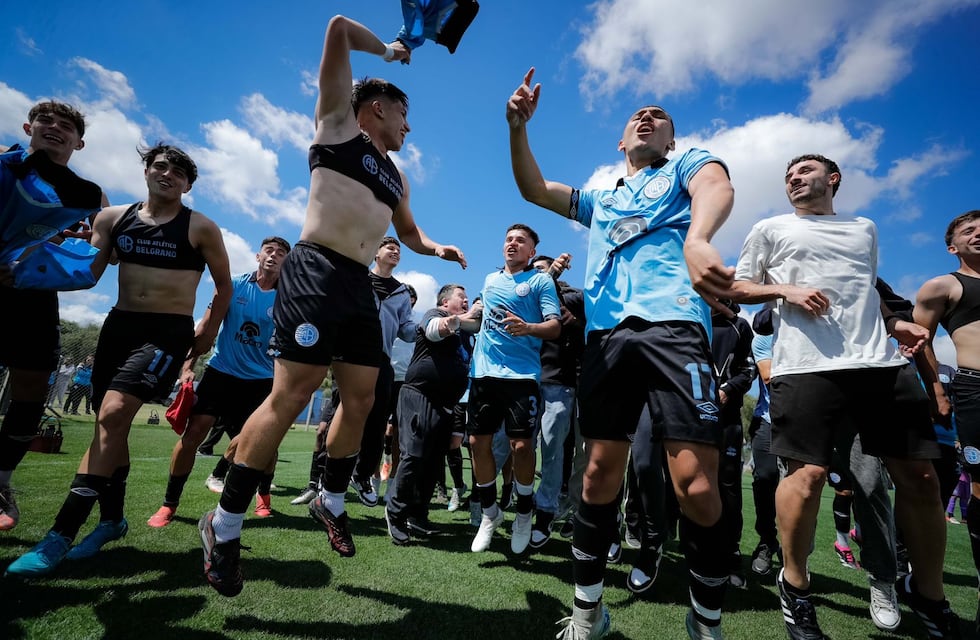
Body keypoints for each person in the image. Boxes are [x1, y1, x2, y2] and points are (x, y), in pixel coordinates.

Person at [198, 14, 465, 598]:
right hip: (316, 269)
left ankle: (332, 498)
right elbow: (339, 28)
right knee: (292, 394)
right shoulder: (338, 124)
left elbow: (409, 232)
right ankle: (224, 523)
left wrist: (435, 248)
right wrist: (391, 51)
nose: (409, 127)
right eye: (404, 115)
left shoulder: (397, 176)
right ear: (377, 108)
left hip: (356, 285)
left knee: (363, 399)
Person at [508, 67, 736, 640]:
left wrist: (698, 237)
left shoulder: (684, 167)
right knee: (596, 476)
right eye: (639, 115)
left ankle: (705, 619)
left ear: (672, 140)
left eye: (660, 117)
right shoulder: (601, 199)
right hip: (607, 339)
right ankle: (589, 613)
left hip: (675, 327)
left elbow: (716, 187)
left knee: (696, 486)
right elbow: (534, 190)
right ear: (620, 140)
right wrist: (517, 129)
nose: (648, 117)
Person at [731, 154, 957, 639]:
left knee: (921, 479)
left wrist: (895, 323)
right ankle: (795, 586)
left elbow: (864, 291)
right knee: (807, 478)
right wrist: (787, 291)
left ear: (833, 179)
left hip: (879, 366)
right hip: (805, 366)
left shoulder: (864, 228)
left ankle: (929, 595)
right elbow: (736, 285)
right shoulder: (770, 228)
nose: (793, 179)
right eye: (788, 175)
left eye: (804, 172)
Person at [5, 143, 232, 577]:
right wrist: (25, 266)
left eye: (179, 172)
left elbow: (224, 286)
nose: (168, 175)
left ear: (188, 185)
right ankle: (111, 521)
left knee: (112, 415)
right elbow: (88, 272)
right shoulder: (113, 219)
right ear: (146, 171)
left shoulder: (200, 227)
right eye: (160, 166)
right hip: (119, 327)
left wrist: (207, 331)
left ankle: (60, 535)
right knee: (110, 426)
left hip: (167, 332)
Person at [0, 101, 103, 532]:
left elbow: (101, 248)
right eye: (46, 120)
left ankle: (1, 483)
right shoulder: (6, 167)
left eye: (67, 126)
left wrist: (72, 247)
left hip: (32, 296)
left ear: (79, 143)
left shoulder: (87, 195)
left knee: (31, 390)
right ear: (29, 127)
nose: (55, 127)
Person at [146, 236, 290, 528]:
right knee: (193, 435)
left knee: (265, 445)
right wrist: (188, 366)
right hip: (221, 372)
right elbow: (208, 325)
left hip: (261, 380)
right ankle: (169, 504)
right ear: (258, 255)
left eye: (281, 253)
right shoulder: (233, 285)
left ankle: (263, 496)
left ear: (286, 263)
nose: (274, 256)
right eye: (269, 250)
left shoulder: (288, 297)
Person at [467, 224, 561, 555]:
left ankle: (523, 512)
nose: (512, 244)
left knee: (521, 446)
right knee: (477, 443)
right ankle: (490, 513)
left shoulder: (540, 281)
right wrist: (456, 322)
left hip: (522, 376)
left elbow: (554, 326)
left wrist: (529, 327)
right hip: (484, 373)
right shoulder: (490, 280)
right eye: (508, 239)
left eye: (520, 241)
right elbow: (479, 320)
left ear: (531, 252)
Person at [913, 209, 980, 633]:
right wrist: (936, 389)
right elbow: (918, 340)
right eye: (970, 231)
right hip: (975, 390)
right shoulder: (943, 286)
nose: (979, 234)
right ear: (952, 247)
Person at [384, 283, 480, 543]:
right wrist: (467, 315)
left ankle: (417, 515)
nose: (466, 300)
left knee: (433, 461)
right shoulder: (435, 314)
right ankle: (395, 512)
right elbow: (434, 331)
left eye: (467, 297)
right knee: (414, 455)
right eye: (461, 296)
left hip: (445, 403)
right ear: (445, 302)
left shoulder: (466, 330)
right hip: (420, 395)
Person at [346, 236, 418, 508]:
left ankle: (363, 475)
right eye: (390, 248)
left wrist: (428, 329)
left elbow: (406, 330)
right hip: (350, 357)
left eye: (399, 250)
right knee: (345, 418)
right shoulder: (358, 278)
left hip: (381, 360)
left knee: (377, 424)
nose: (396, 252)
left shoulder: (401, 292)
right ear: (376, 253)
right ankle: (326, 478)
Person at [528, 253, 585, 550]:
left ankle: (547, 511)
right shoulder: (526, 296)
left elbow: (595, 329)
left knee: (556, 451)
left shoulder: (575, 297)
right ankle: (519, 503)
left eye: (543, 269)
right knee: (517, 446)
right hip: (525, 380)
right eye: (534, 271)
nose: (538, 275)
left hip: (562, 383)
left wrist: (576, 323)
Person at [389, 0, 480, 62]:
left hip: (448, 17)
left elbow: (416, 25)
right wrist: (403, 42)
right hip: (446, 20)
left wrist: (404, 42)